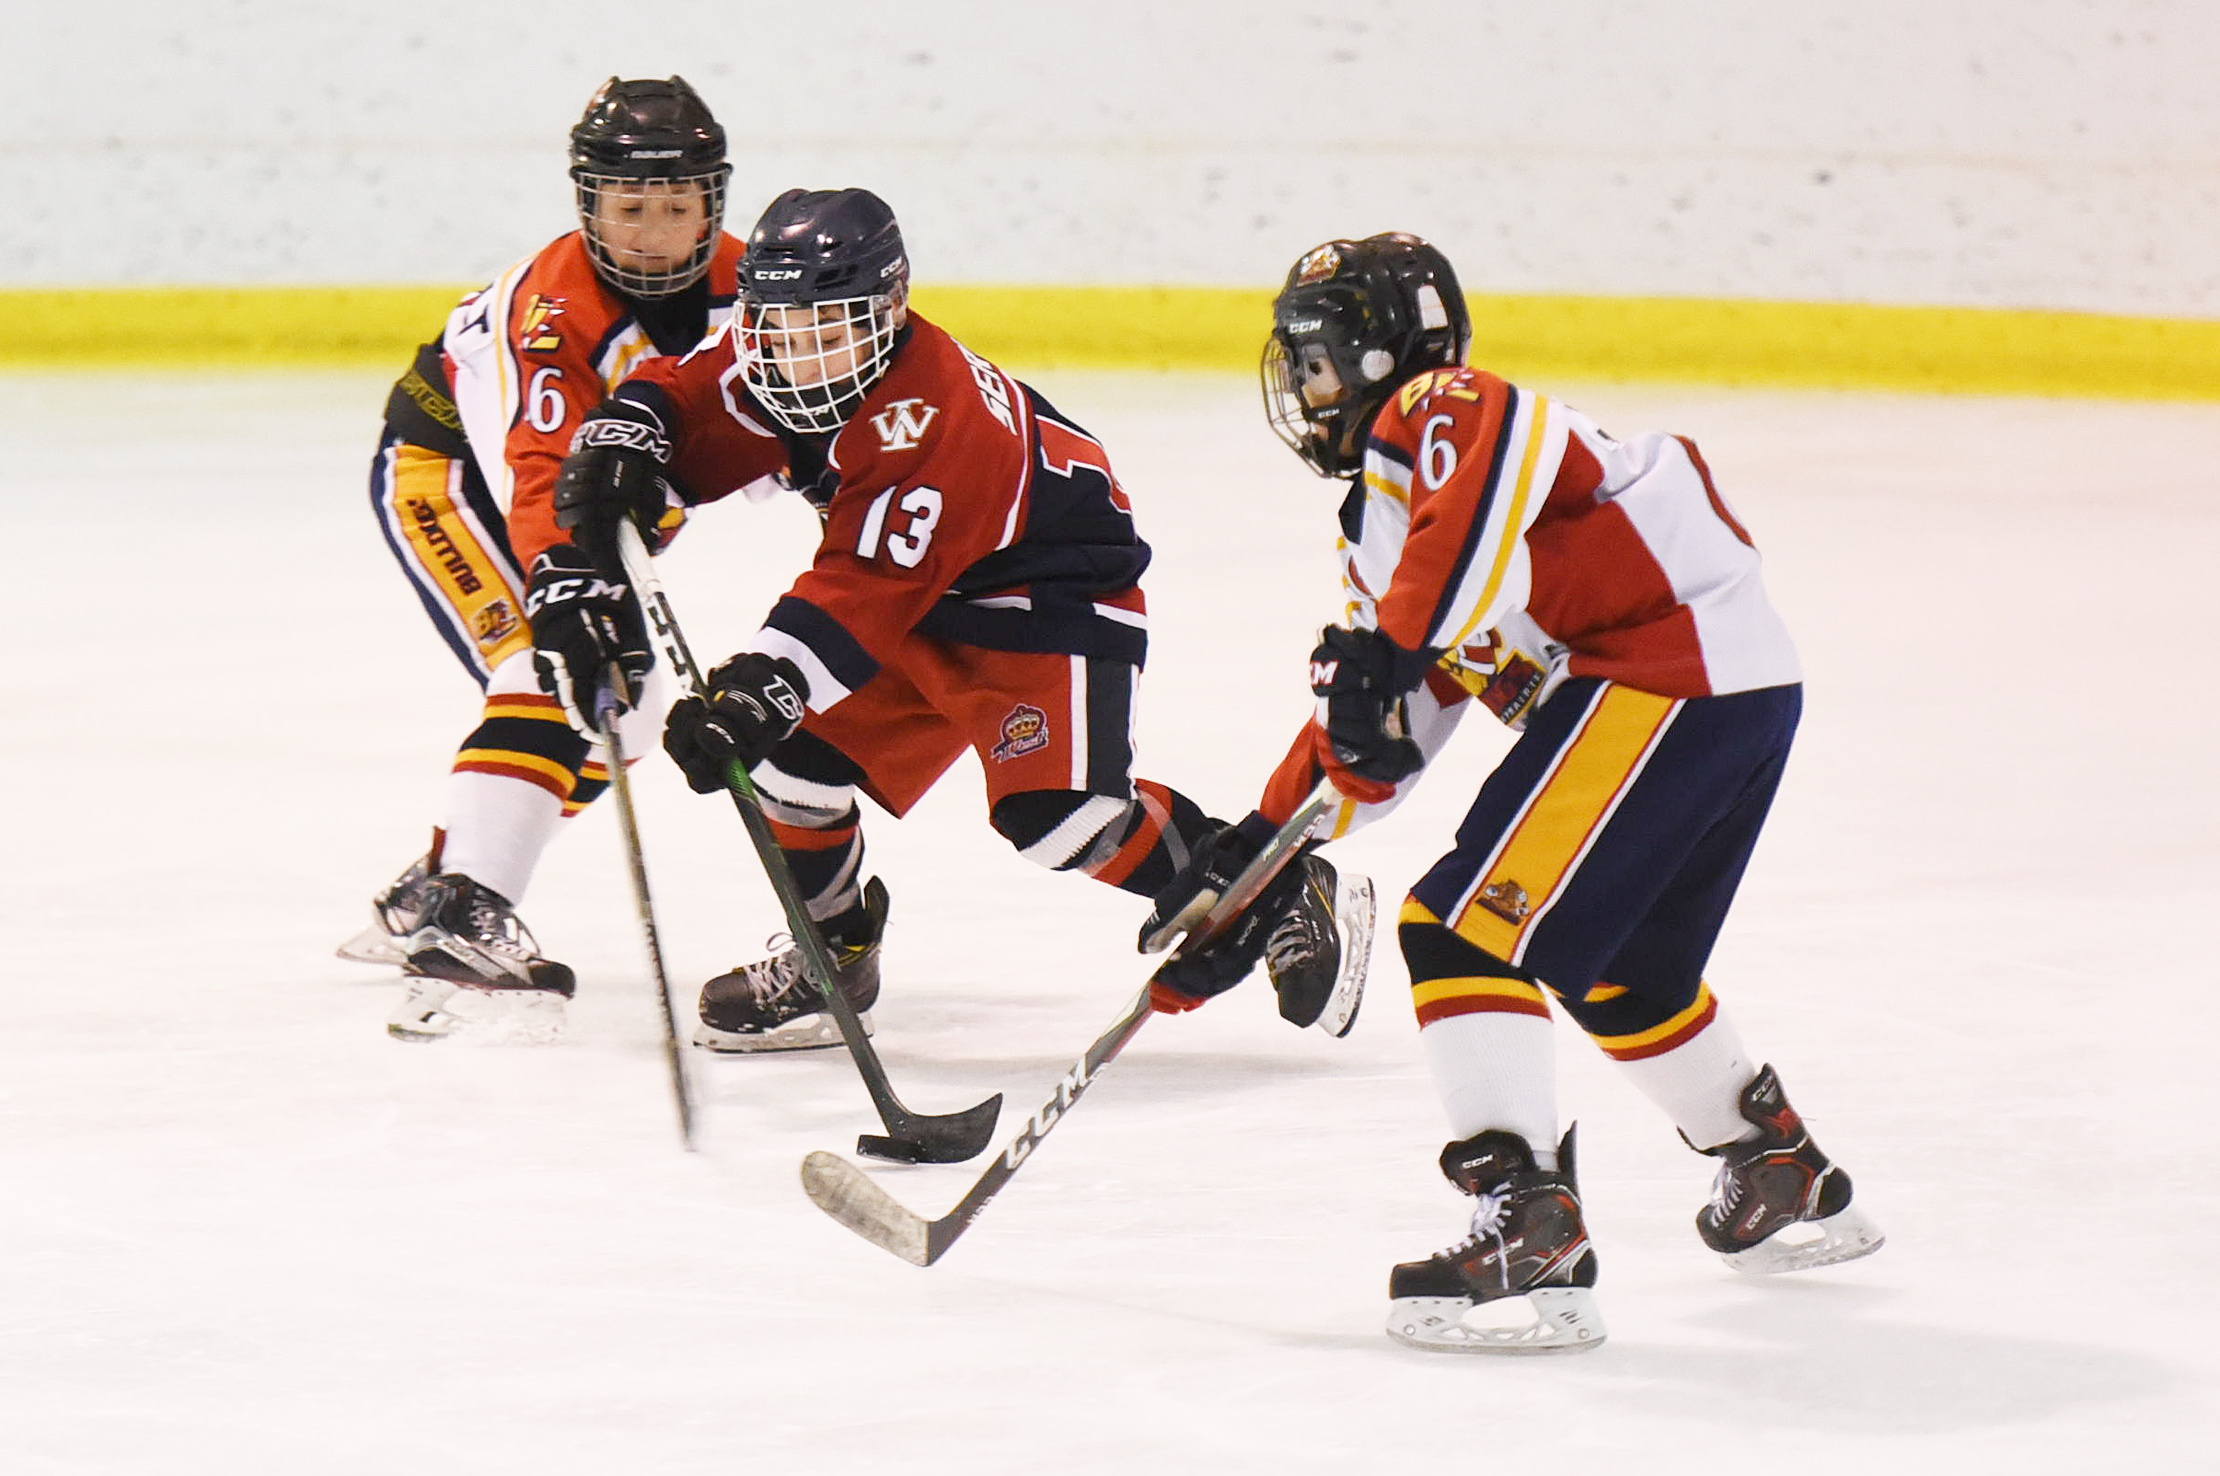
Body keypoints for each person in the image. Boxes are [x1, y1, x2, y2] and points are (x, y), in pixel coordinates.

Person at [1145, 232, 1882, 1353]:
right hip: (1720, 690)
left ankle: (1531, 1227)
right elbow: (1391, 719)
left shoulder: (1445, 406)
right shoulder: (1390, 533)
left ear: (1383, 356)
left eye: (1321, 362)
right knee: (1627, 976)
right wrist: (1259, 857)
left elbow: (1457, 553)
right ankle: (1775, 1164)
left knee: (1457, 931)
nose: (1307, 390)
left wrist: (1386, 654)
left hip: (1664, 671)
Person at [545, 186, 1375, 1053]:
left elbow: (864, 589)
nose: (801, 356)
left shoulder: (934, 416)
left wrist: (765, 685)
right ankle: (834, 961)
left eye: (827, 331)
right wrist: (630, 431)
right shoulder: (772, 358)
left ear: (889, 310)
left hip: (1045, 589)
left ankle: (1281, 885)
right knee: (793, 767)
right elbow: (683, 393)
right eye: (781, 330)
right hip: (922, 592)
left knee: (1061, 820)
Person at [338, 76, 741, 1040]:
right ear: (589, 204)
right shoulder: (552, 310)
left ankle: (439, 880)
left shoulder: (752, 290)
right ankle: (461, 919)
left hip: (569, 501)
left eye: (676, 208)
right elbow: (539, 470)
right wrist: (565, 578)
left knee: (627, 715)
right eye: (629, 209)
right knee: (549, 671)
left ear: (713, 203)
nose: (652, 234)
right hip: (451, 482)